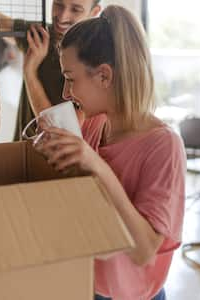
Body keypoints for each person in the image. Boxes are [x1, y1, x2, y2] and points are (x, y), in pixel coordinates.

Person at [35, 5, 185, 300]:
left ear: (104, 76)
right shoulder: (93, 126)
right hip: (88, 285)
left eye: (70, 78)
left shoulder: (164, 146)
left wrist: (98, 166)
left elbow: (143, 251)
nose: (66, 93)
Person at [0, 0, 101, 140]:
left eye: (76, 9)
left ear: (94, 12)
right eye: (58, 4)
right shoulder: (39, 35)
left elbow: (60, 131)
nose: (62, 17)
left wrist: (30, 72)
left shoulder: (95, 60)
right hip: (20, 149)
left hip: (53, 160)